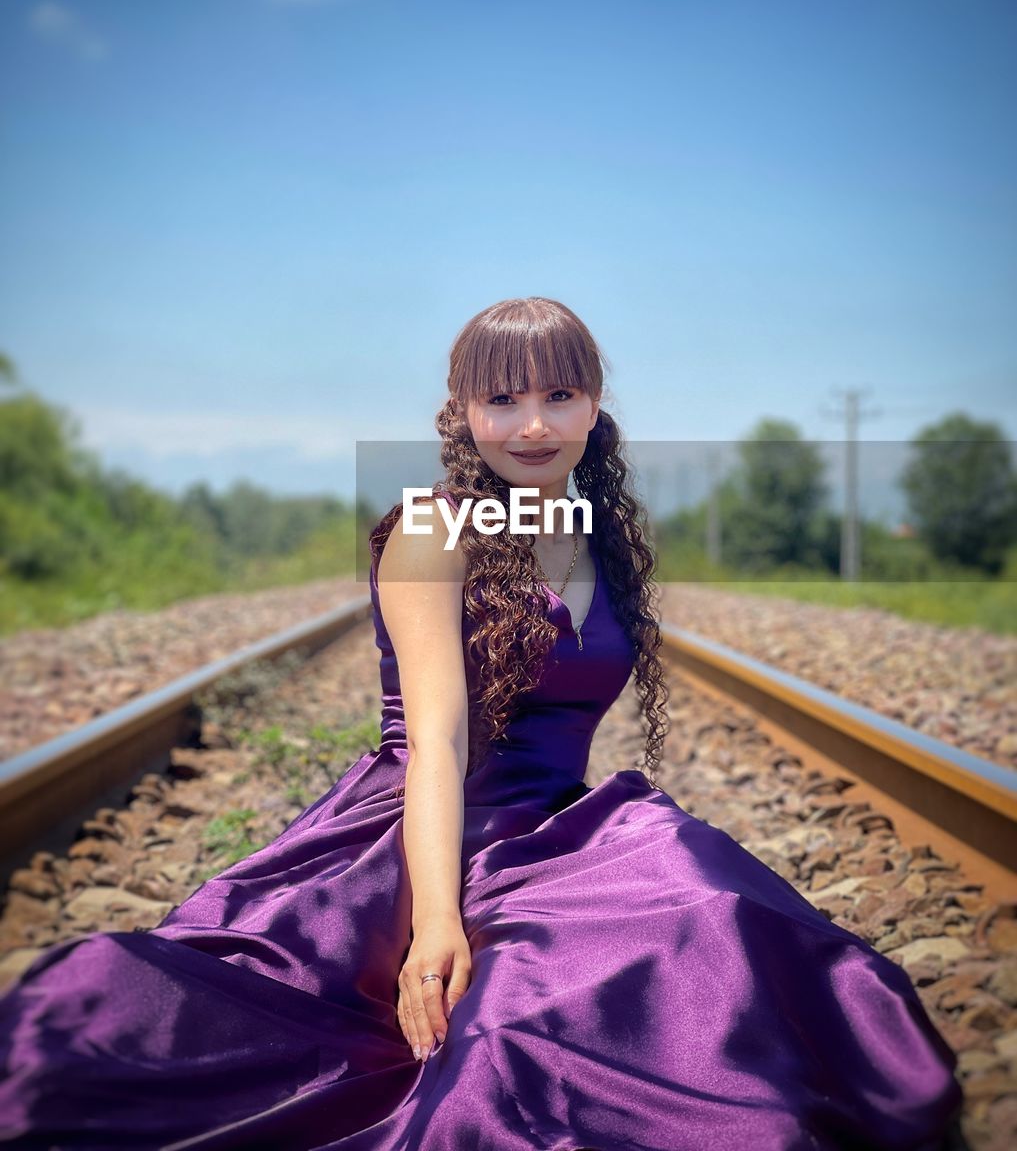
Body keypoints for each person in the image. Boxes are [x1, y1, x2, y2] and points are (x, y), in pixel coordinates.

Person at [0, 296, 964, 1150]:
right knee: (497, 1035)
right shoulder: (434, 529)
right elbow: (437, 747)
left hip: (550, 827)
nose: (532, 424)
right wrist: (433, 929)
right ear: (463, 413)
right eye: (502, 400)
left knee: (714, 908)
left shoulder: (600, 536)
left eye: (557, 396)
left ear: (596, 406)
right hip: (421, 834)